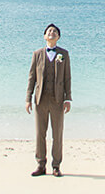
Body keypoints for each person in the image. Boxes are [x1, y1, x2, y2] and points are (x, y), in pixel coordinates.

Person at [26, 23, 72, 177]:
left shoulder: (64, 54)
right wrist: (28, 98)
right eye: (49, 31)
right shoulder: (37, 54)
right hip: (40, 99)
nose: (51, 33)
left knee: (57, 134)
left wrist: (68, 98)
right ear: (45, 36)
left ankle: (56, 165)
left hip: (58, 100)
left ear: (58, 37)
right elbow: (31, 77)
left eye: (54, 31)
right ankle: (40, 164)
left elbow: (67, 78)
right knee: (40, 133)